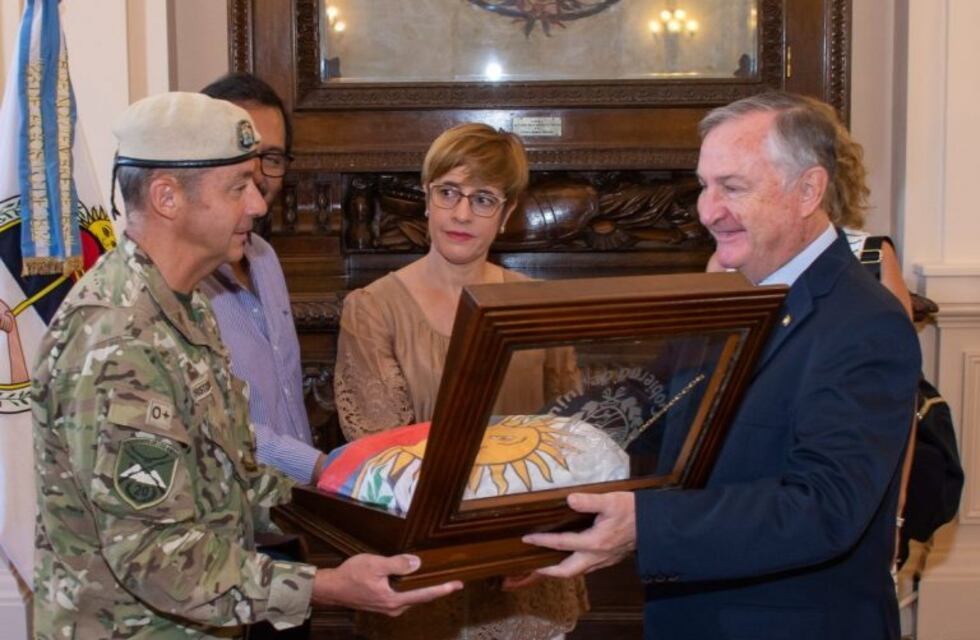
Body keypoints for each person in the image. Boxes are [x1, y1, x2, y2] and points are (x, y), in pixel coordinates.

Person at [31, 92, 461, 639]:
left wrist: (369, 501)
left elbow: (234, 477)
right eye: (238, 187)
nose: (258, 205)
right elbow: (155, 558)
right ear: (167, 197)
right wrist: (327, 585)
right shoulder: (119, 337)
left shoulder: (186, 307)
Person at [522, 92, 922, 640]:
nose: (707, 211)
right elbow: (645, 421)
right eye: (704, 186)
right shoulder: (724, 301)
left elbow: (825, 508)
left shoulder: (863, 320)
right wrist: (516, 467)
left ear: (808, 190)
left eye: (732, 187)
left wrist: (647, 527)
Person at [334, 122, 586, 639]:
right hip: (422, 572)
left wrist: (534, 540)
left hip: (527, 570)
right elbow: (383, 457)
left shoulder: (542, 306)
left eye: (484, 198)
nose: (462, 213)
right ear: (426, 199)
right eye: (448, 192)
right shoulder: (373, 310)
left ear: (508, 213)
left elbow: (570, 442)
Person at [197, 72, 324, 484]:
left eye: (272, 158)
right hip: (227, 523)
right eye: (244, 154)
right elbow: (208, 423)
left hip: (292, 512)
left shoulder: (265, 257)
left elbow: (287, 397)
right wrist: (321, 467)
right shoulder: (180, 281)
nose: (259, 176)